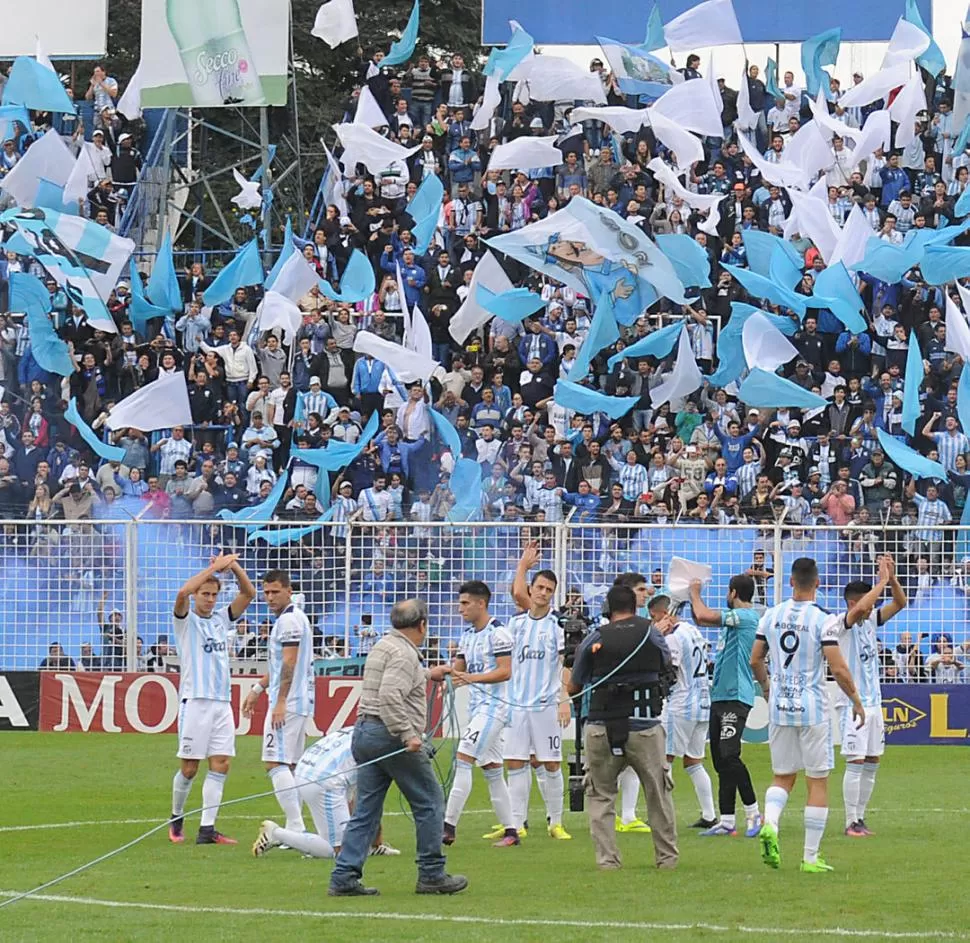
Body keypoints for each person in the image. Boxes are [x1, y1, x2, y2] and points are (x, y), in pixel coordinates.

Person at [328, 599, 465, 897]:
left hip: (365, 732)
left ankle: (344, 876)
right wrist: (407, 734)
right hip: (389, 735)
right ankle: (431, 873)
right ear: (422, 625)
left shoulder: (384, 645)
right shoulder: (405, 655)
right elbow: (391, 694)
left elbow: (391, 683)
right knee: (430, 800)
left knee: (366, 809)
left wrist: (428, 674)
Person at [751, 557, 866, 873]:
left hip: (780, 707)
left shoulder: (771, 616)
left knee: (782, 777)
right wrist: (856, 699)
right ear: (816, 583)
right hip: (813, 709)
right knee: (817, 781)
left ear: (790, 582)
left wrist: (766, 688)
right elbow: (839, 668)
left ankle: (771, 824)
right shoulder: (823, 620)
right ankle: (810, 857)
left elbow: (755, 659)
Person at [567, 584, 678, 871]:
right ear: (636, 607)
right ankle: (666, 858)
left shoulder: (596, 636)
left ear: (607, 608)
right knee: (658, 793)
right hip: (644, 726)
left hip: (601, 725)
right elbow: (666, 663)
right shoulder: (649, 633)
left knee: (601, 795)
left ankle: (608, 861)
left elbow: (574, 685)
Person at [168, 553, 256, 845]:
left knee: (221, 763)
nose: (209, 599)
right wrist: (213, 568)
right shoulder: (185, 620)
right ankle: (176, 815)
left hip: (221, 702)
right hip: (195, 701)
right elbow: (181, 592)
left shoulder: (221, 618)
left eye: (214, 594)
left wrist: (232, 567)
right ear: (196, 595)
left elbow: (249, 593)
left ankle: (207, 829)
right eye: (204, 594)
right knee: (190, 768)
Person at [441, 581, 518, 847]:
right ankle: (512, 832)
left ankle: (447, 826)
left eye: (465, 603)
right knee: (492, 768)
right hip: (477, 707)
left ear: (481, 603)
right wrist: (447, 677)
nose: (459, 608)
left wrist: (469, 677)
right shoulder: (467, 635)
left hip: (495, 708)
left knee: (463, 757)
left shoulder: (499, 634)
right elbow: (458, 668)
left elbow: (505, 671)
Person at [835, 556, 907, 837]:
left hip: (874, 703)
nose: (874, 605)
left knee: (872, 761)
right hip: (854, 704)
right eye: (869, 600)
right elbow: (866, 605)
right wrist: (881, 582)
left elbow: (900, 604)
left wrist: (892, 579)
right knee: (855, 761)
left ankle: (861, 818)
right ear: (853, 603)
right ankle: (850, 821)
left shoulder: (870, 622)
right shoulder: (844, 622)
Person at [505, 540, 572, 840]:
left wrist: (564, 699)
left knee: (552, 763)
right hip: (517, 704)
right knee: (516, 763)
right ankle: (517, 823)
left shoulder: (558, 626)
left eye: (549, 590)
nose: (543, 593)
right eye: (540, 587)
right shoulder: (516, 623)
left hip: (546, 704)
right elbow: (515, 594)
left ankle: (555, 822)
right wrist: (522, 565)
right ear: (532, 590)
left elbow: (565, 665)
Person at [251, 727, 400, 859]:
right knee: (338, 851)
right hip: (324, 779)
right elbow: (370, 799)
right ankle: (276, 834)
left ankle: (371, 846)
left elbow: (358, 800)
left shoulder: (361, 728)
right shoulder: (381, 746)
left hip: (309, 770)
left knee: (349, 825)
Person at [241, 570, 315, 834]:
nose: (270, 597)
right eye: (266, 592)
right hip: (299, 701)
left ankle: (296, 828)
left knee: (274, 763)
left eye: (275, 592)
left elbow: (289, 661)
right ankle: (298, 827)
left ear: (288, 590)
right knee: (291, 765)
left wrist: (280, 701)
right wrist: (259, 687)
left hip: (290, 702)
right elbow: (280, 662)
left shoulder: (288, 622)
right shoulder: (294, 617)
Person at [689, 575, 763, 838]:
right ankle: (728, 820)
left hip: (736, 695)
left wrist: (695, 592)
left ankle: (754, 812)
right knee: (721, 760)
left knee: (730, 755)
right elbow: (702, 618)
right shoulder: (734, 622)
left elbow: (703, 615)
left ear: (733, 593)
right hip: (720, 696)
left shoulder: (746, 617)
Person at [651, 592, 716, 829]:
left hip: (682, 704)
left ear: (664, 614)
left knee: (663, 760)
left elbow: (669, 671)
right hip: (703, 702)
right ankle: (709, 815)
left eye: (654, 617)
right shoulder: (693, 631)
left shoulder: (673, 638)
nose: (653, 622)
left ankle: (662, 817)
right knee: (693, 761)